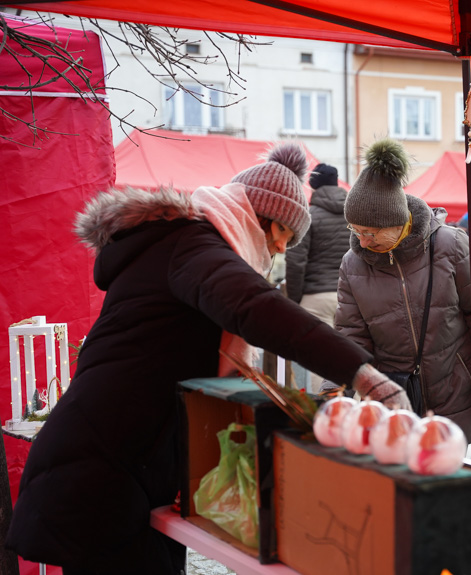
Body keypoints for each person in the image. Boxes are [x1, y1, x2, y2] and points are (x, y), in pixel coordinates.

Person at [6, 142, 409, 575]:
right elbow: (258, 308)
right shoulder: (193, 248)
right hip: (101, 477)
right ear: (263, 218)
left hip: (122, 470)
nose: (276, 254)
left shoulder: (181, 247)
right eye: (283, 240)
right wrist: (361, 372)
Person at [335, 137, 471, 443]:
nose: (362, 241)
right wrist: (334, 393)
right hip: (393, 406)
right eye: (355, 231)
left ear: (397, 222)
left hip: (457, 398)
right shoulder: (353, 265)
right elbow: (350, 336)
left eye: (370, 232)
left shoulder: (451, 245)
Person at [283, 163, 352, 392]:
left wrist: (294, 300)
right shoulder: (353, 216)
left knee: (317, 364)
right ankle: (352, 417)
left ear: (312, 185)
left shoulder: (308, 216)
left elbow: (295, 262)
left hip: (315, 297)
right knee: (349, 359)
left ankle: (318, 418)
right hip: (350, 298)